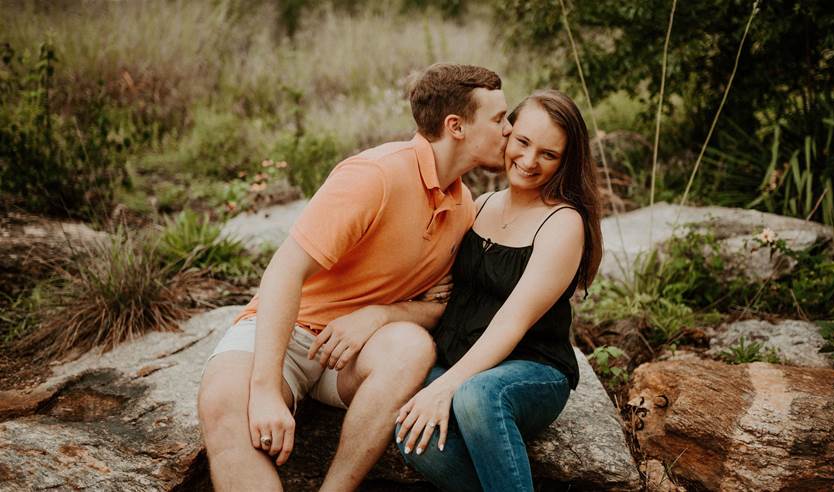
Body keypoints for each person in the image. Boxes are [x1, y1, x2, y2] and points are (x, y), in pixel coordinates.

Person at [197, 63, 512, 491]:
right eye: (499, 118)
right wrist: (266, 388)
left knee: (411, 347)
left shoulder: (464, 208)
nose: (509, 130)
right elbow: (285, 270)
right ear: (456, 126)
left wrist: (380, 315)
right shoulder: (375, 175)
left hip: (353, 356)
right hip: (286, 333)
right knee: (224, 404)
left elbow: (441, 307)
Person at [394, 90, 604, 491]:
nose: (529, 160)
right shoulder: (481, 204)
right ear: (506, 133)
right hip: (457, 356)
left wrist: (446, 385)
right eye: (523, 142)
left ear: (565, 161)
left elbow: (513, 321)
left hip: (531, 368)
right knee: (413, 432)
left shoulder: (562, 223)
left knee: (476, 396)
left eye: (548, 154)